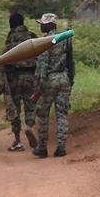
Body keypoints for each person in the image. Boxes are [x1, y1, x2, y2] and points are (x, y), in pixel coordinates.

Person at [32, 13, 75, 158]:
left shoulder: (45, 40)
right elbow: (71, 61)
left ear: (48, 25)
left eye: (42, 24)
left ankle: (42, 149)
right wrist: (71, 80)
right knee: (62, 113)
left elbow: (42, 65)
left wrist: (38, 87)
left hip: (49, 80)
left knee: (43, 114)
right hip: (64, 79)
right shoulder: (65, 38)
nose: (41, 26)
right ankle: (61, 147)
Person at [0, 13, 38, 151]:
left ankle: (17, 140)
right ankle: (29, 126)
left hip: (14, 78)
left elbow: (5, 59)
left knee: (14, 108)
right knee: (30, 105)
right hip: (30, 77)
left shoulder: (10, 39)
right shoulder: (32, 36)